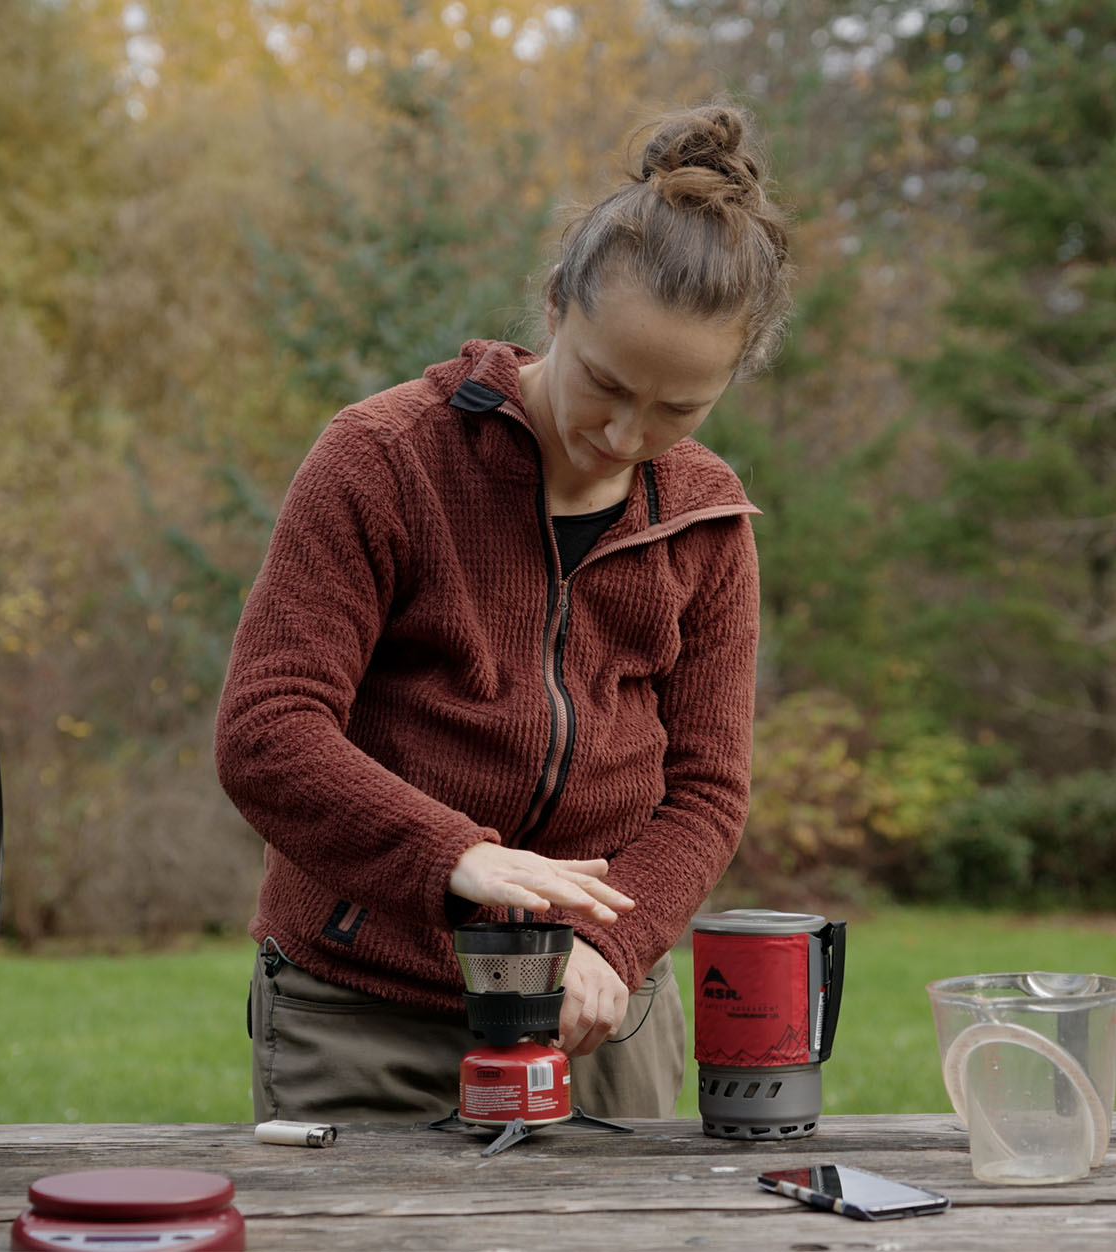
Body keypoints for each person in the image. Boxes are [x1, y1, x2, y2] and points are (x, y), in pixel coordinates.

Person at [216, 101, 794, 1123]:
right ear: (554, 309)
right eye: (607, 384)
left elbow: (706, 791)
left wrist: (605, 946)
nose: (624, 434)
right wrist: (458, 861)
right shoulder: (382, 462)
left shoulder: (706, 521)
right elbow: (268, 731)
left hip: (599, 1011)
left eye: (677, 409)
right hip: (364, 1010)